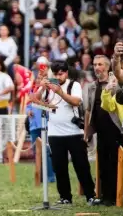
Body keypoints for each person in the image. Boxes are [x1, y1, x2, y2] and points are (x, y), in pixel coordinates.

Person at [30, 61, 100, 206]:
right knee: (59, 167)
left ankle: (90, 195)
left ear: (66, 73)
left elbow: (76, 102)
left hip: (74, 132)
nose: (58, 77)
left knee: (81, 165)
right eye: (55, 74)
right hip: (55, 133)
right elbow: (34, 100)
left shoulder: (73, 85)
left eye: (60, 74)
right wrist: (42, 86)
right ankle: (65, 197)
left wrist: (60, 91)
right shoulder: (48, 87)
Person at [83, 55, 123, 205]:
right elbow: (88, 110)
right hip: (100, 130)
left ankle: (115, 195)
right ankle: (106, 195)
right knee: (103, 164)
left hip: (115, 129)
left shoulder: (116, 83)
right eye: (94, 64)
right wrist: (86, 132)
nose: (96, 67)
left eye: (100, 64)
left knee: (115, 163)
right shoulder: (92, 86)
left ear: (107, 67)